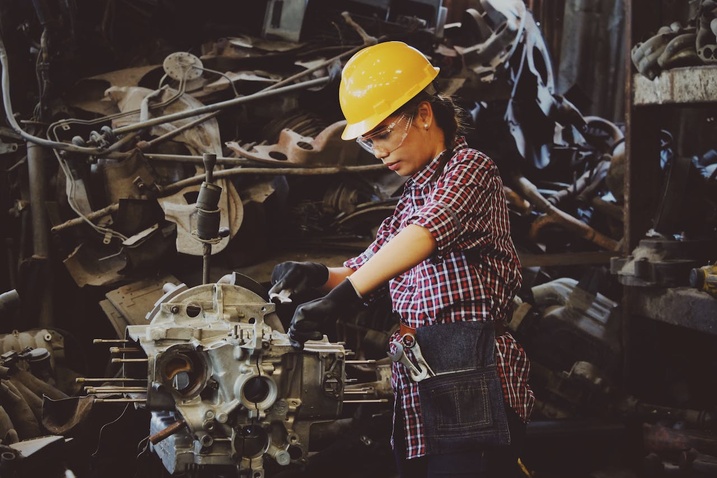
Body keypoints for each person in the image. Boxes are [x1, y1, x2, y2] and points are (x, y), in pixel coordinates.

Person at [268, 41, 535, 478]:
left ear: (424, 115)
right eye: (370, 142)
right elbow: (366, 266)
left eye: (384, 134)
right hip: (420, 377)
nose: (379, 152)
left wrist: (345, 297)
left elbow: (425, 234)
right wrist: (315, 276)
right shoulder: (412, 197)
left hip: (471, 372)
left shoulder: (470, 169)